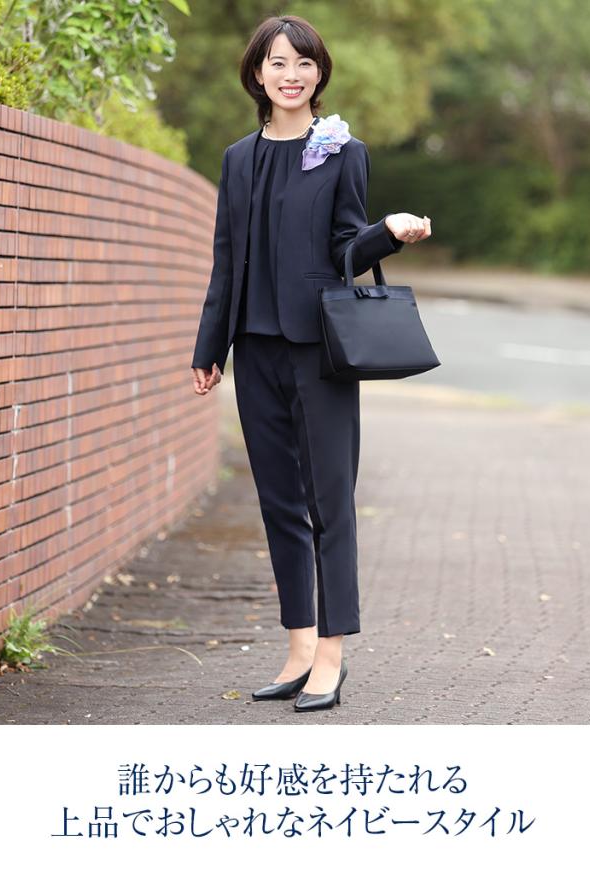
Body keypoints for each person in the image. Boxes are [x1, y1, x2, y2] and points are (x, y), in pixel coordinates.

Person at [190, 14, 432, 713]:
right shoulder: (238, 159)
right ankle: (298, 648)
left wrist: (387, 233)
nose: (291, 74)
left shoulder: (342, 153)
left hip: (320, 350)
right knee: (278, 503)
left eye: (304, 63)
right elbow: (225, 260)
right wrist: (209, 347)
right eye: (277, 62)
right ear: (256, 74)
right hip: (254, 349)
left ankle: (331, 655)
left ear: (319, 73)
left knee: (330, 503)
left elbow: (345, 249)